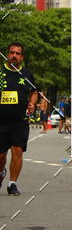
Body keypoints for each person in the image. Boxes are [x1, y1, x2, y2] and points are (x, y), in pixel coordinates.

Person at [0, 42, 39, 196]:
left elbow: (34, 92)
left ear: (22, 57)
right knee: (1, 155)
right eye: (11, 53)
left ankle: (12, 184)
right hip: (1, 121)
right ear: (7, 54)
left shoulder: (27, 75)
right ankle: (1, 172)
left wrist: (32, 103)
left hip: (20, 121)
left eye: (17, 53)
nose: (14, 56)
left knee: (17, 151)